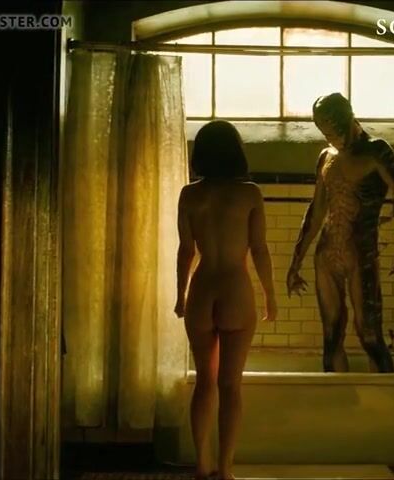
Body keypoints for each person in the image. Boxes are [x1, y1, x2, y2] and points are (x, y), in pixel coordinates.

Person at [174, 120, 278, 480]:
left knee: (205, 382)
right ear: (236, 153)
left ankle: (202, 466)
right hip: (235, 289)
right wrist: (270, 295)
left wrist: (180, 295)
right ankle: (226, 469)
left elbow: (186, 251)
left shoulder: (190, 194)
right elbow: (259, 249)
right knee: (230, 385)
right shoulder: (250, 194)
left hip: (202, 290)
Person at [286, 93, 394, 373]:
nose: (328, 138)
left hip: (360, 254)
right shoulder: (326, 157)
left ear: (347, 120)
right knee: (331, 335)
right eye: (323, 132)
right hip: (327, 255)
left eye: (332, 131)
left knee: (369, 335)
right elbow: (316, 212)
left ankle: (385, 396)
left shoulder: (376, 152)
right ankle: (334, 397)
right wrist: (296, 262)